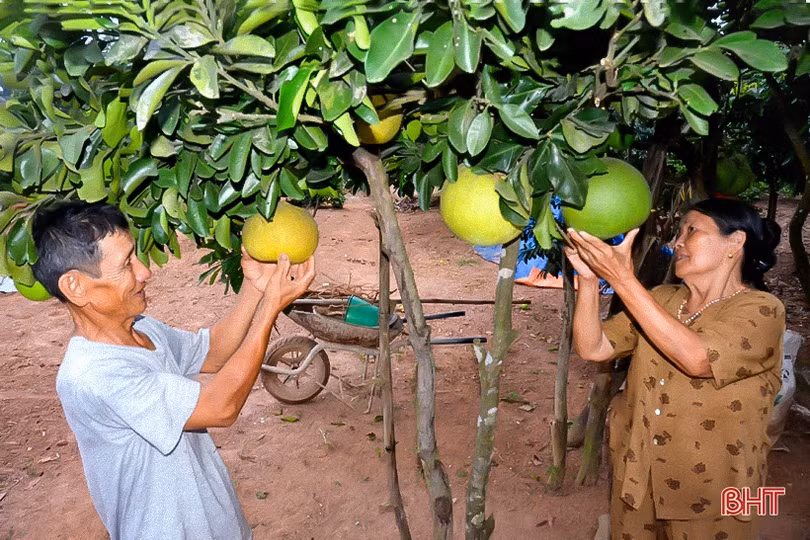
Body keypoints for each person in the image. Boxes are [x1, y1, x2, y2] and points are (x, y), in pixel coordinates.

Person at [32, 201, 315, 540]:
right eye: (126, 265)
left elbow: (213, 352)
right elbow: (220, 408)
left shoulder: (141, 329)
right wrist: (271, 307)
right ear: (75, 287)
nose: (144, 271)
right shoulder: (92, 375)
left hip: (214, 523)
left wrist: (257, 287)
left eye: (135, 256)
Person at [565, 198, 784, 540]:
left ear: (735, 242)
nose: (677, 241)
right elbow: (593, 347)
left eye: (692, 230)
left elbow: (697, 359)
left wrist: (623, 280)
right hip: (639, 477)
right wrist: (590, 281)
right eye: (679, 232)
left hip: (719, 492)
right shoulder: (663, 298)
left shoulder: (763, 310)